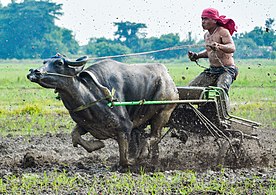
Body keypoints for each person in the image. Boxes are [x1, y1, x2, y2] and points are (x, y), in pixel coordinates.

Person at [188, 8, 239, 95]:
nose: (203, 22)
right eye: (202, 19)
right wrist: (197, 56)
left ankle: (222, 108)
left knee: (221, 90)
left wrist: (219, 46)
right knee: (191, 88)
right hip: (212, 70)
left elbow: (232, 47)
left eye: (206, 19)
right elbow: (209, 52)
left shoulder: (223, 32)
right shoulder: (206, 35)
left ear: (214, 20)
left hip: (226, 70)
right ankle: (202, 107)